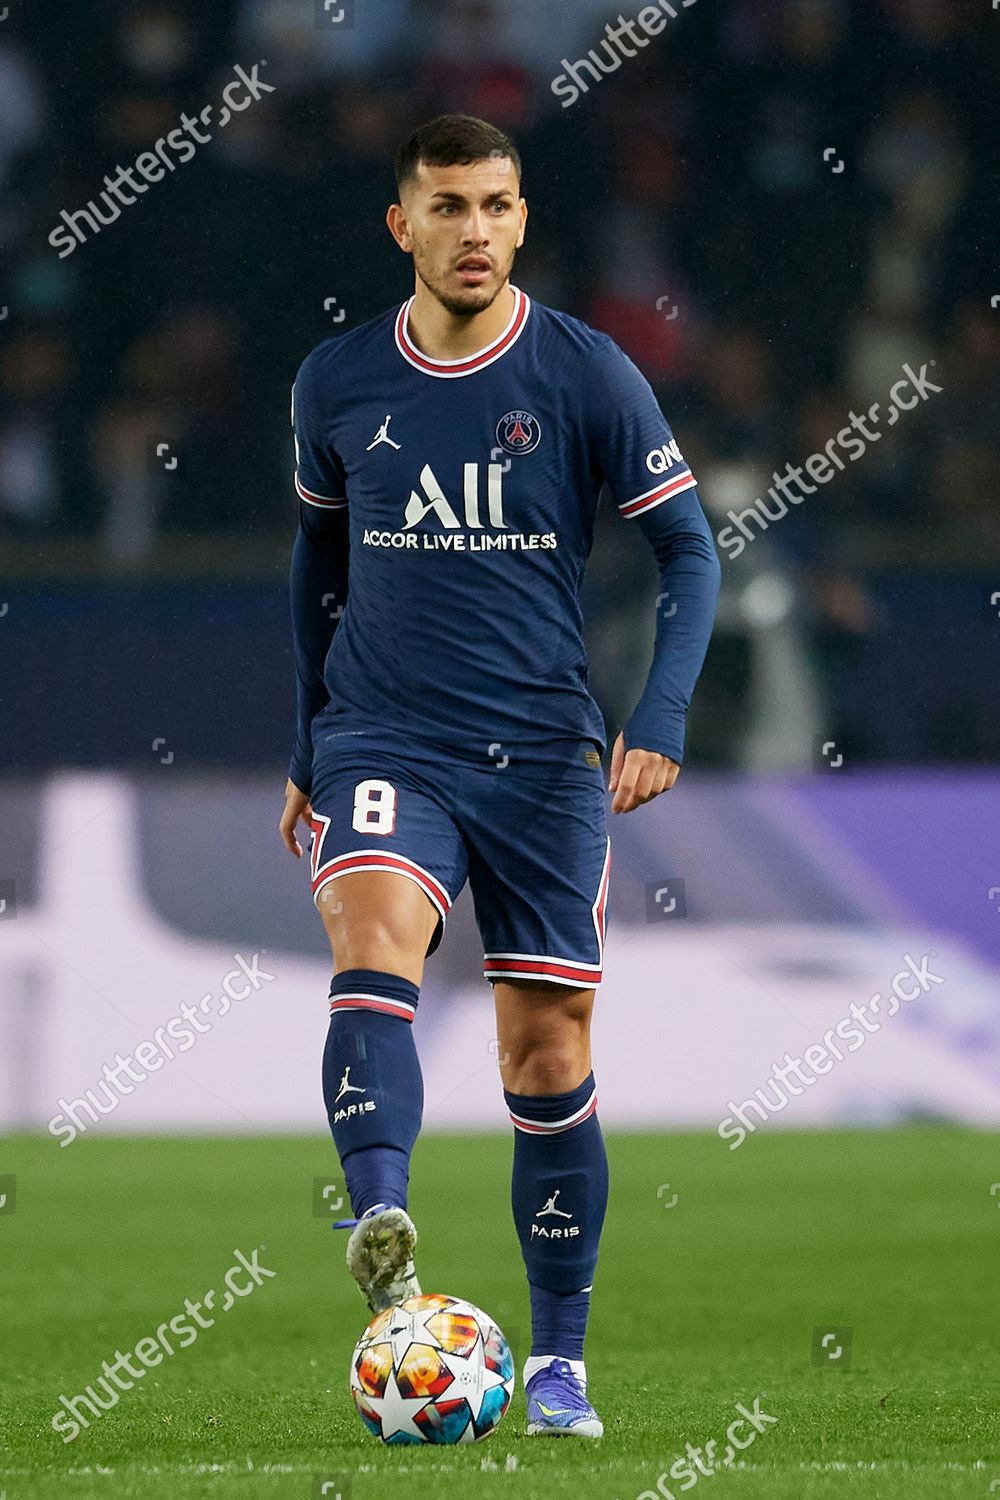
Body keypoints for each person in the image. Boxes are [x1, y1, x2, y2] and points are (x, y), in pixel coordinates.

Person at [279, 113, 720, 1438]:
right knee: (372, 936)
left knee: (547, 1052)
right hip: (383, 740)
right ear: (402, 225)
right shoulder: (337, 382)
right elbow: (317, 572)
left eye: (498, 206)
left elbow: (690, 553)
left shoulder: (587, 374)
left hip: (542, 753)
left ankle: (558, 1366)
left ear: (524, 220)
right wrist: (307, 744)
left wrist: (663, 715)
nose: (476, 231)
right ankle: (385, 1232)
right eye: (450, 207)